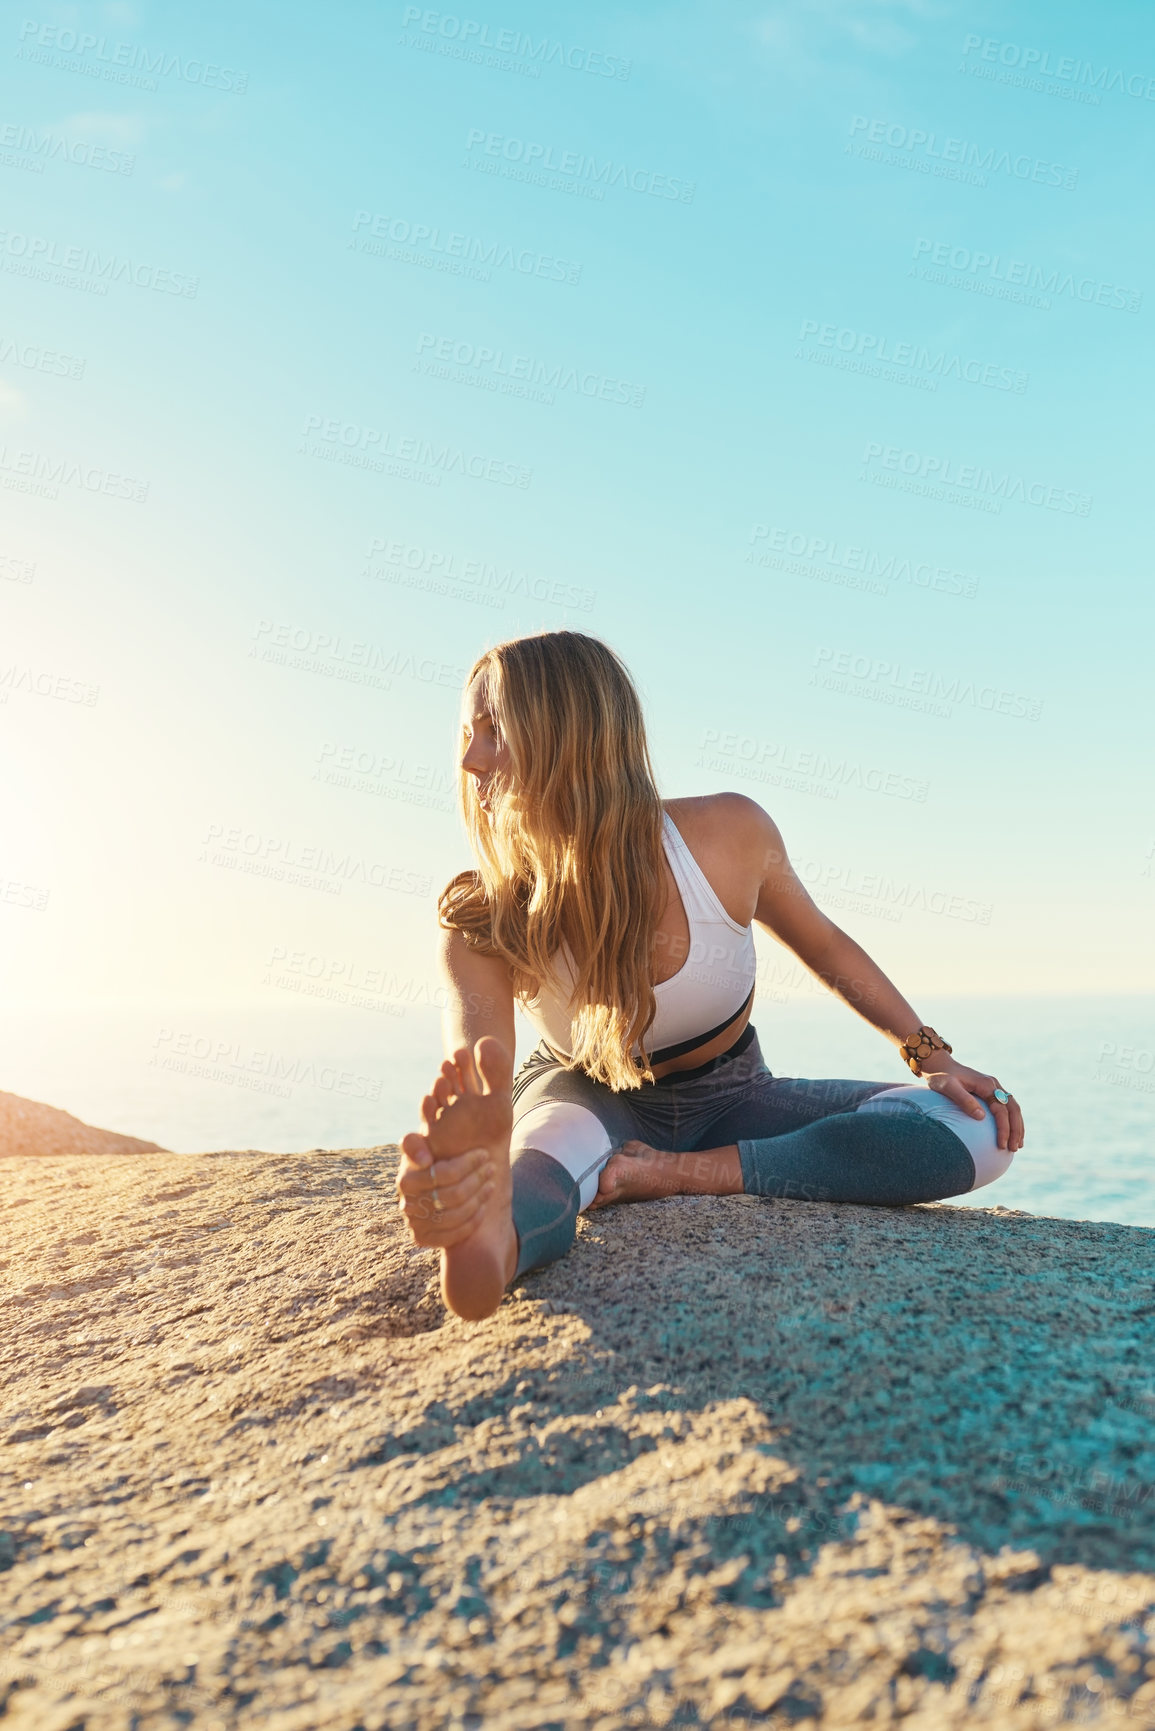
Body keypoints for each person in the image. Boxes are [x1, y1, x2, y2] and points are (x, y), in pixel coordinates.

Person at [396, 631, 1023, 1321]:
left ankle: (679, 1172)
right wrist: (476, 1142)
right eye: (465, 732)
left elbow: (826, 945)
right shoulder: (483, 914)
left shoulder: (725, 834)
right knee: (548, 1145)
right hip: (584, 1097)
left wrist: (932, 1056)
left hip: (732, 1098)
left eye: (493, 731)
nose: (468, 756)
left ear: (567, 731)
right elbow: (481, 1069)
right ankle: (494, 1230)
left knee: (978, 1129)